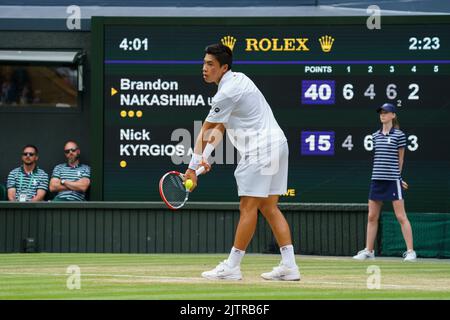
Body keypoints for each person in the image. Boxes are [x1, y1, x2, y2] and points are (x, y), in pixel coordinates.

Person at [184, 43, 300, 281]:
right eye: (204, 63)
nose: (204, 68)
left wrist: (191, 169)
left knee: (248, 207)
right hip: (278, 145)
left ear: (223, 68)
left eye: (210, 65)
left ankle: (232, 266)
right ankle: (289, 266)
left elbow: (205, 130)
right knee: (268, 207)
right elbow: (221, 126)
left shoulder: (226, 92)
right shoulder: (240, 80)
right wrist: (205, 157)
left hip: (260, 150)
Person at [353, 103, 416, 262]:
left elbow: (400, 159)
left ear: (393, 115)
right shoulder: (375, 135)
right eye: (381, 112)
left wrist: (399, 178)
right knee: (372, 216)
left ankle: (410, 252)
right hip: (376, 180)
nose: (383, 115)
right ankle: (369, 250)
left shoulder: (399, 135)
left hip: (392, 181)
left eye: (386, 112)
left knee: (401, 216)